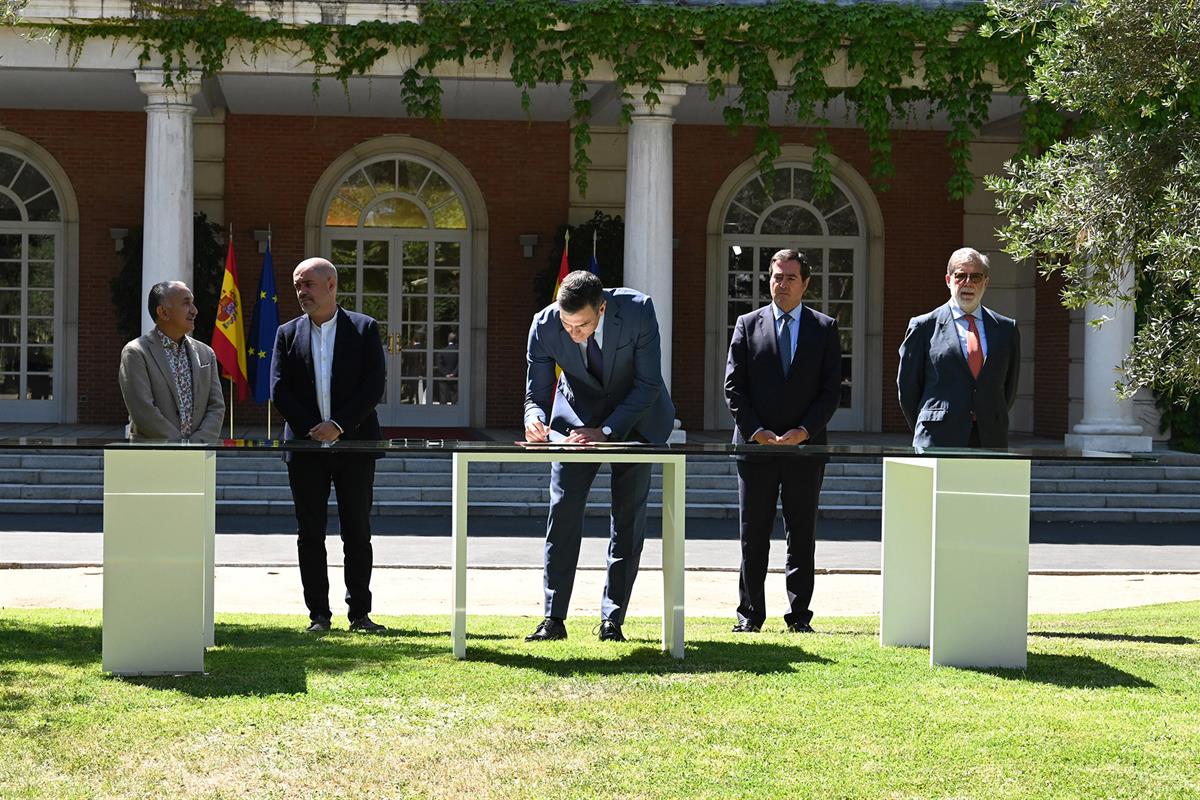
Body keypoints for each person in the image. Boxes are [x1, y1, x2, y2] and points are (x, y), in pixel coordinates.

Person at [523, 270, 675, 643]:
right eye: (567, 324)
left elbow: (648, 383)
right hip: (575, 424)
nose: (573, 332)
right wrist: (535, 418)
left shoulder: (638, 310)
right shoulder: (543, 325)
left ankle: (612, 619)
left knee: (627, 519)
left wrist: (606, 431)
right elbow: (536, 393)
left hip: (637, 420)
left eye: (583, 325)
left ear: (603, 308)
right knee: (563, 514)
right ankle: (553, 618)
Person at [724, 249, 842, 634]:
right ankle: (750, 616)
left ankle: (799, 617)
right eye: (777, 277)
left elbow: (830, 392)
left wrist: (804, 432)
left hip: (805, 450)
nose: (782, 284)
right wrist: (756, 431)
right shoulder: (746, 324)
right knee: (752, 535)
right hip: (756, 448)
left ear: (806, 284)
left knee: (801, 536)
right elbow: (734, 387)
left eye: (791, 278)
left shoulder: (824, 328)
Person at [271, 257, 387, 633]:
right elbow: (278, 389)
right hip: (305, 450)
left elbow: (374, 384)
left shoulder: (364, 328)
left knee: (357, 530)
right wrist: (312, 427)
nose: (301, 292)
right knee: (310, 533)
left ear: (331, 285)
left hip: (355, 446)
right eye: (297, 285)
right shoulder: (287, 333)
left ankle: (360, 615)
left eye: (308, 284)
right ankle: (318, 615)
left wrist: (338, 425)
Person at [897, 247, 1020, 448]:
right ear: (948, 280)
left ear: (986, 282)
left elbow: (1009, 388)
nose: (968, 283)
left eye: (976, 277)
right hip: (938, 438)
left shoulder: (1006, 329)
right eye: (961, 276)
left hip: (990, 438)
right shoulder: (923, 326)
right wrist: (930, 421)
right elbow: (908, 389)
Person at [118, 281, 225, 441]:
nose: (194, 311)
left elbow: (216, 406)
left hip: (198, 458)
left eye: (193, 303)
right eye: (186, 303)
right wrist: (180, 445)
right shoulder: (136, 353)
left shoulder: (206, 353)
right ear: (163, 312)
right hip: (153, 457)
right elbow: (143, 410)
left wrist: (198, 442)